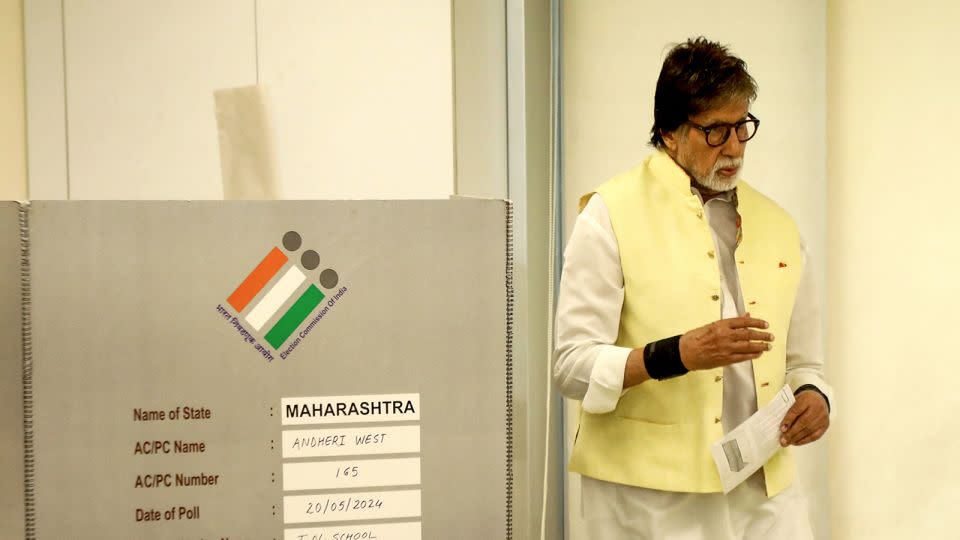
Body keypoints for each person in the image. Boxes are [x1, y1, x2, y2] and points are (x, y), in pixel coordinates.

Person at [553, 37, 833, 539]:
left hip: (764, 494)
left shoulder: (780, 225)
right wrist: (675, 354)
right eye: (715, 130)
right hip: (645, 499)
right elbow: (571, 366)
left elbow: (805, 363)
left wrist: (816, 396)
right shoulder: (609, 214)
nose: (734, 147)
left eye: (743, 126)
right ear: (669, 132)